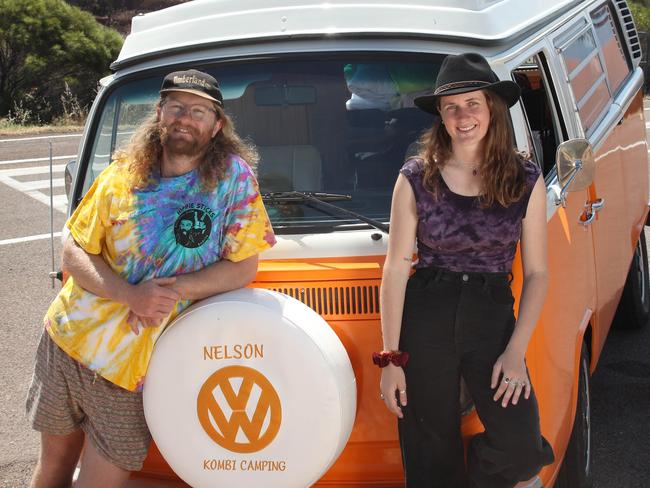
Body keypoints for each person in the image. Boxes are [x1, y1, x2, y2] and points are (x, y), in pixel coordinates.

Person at [26, 69, 276, 487]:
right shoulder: (122, 173)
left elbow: (245, 265)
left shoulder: (233, 181)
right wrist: (129, 295)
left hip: (135, 372)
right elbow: (74, 248)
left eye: (198, 110)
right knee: (52, 468)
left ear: (217, 125)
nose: (185, 117)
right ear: (159, 114)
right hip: (67, 342)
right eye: (175, 107)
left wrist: (173, 291)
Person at [375, 53, 555, 487]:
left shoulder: (523, 178)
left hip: (491, 315)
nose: (463, 115)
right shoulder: (417, 177)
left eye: (472, 103)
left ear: (492, 107)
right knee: (428, 447)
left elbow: (537, 274)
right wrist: (390, 360)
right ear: (440, 114)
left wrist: (515, 353)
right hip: (427, 313)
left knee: (522, 449)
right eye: (451, 106)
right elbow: (396, 268)